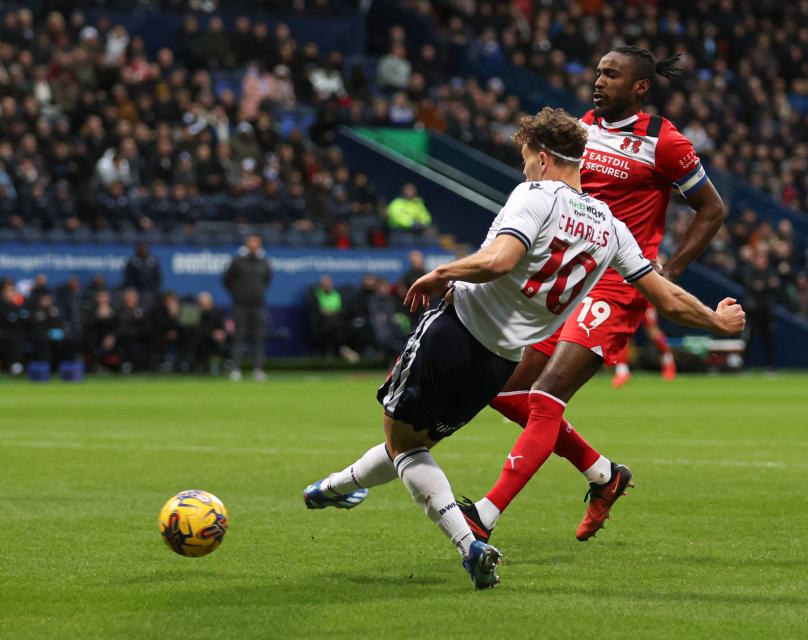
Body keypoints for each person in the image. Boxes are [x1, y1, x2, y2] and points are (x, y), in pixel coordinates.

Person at [302, 108, 744, 589]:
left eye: (526, 158)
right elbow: (667, 297)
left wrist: (443, 272)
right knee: (415, 443)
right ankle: (333, 488)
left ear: (544, 157)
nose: (525, 168)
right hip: (498, 363)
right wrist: (716, 320)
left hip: (455, 330)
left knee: (404, 446)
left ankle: (468, 542)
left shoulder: (535, 195)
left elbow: (501, 259)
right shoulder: (613, 227)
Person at [470, 47, 726, 543]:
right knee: (501, 391)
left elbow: (711, 209)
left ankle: (484, 514)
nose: (599, 80)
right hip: (568, 278)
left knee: (546, 398)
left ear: (640, 87)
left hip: (617, 281)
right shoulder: (583, 128)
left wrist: (666, 272)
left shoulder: (665, 142)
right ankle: (604, 474)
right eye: (598, 72)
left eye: (612, 74)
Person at [222, 234, 272, 382]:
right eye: (252, 243)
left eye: (257, 243)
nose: (254, 246)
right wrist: (237, 293)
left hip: (258, 305)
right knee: (239, 336)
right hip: (240, 305)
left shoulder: (264, 262)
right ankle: (236, 369)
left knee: (258, 338)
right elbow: (227, 280)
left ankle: (257, 370)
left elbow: (267, 281)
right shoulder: (238, 261)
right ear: (247, 244)